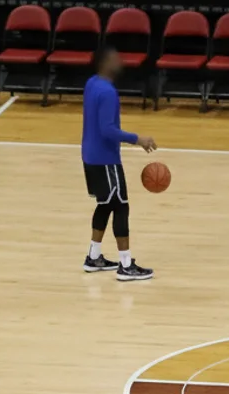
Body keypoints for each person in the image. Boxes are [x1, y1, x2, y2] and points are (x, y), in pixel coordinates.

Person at [82, 46, 158, 281]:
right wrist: (138, 139)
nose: (121, 62)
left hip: (89, 156)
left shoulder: (91, 83)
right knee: (121, 206)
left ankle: (94, 257)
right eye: (116, 59)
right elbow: (107, 130)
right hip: (106, 160)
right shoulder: (107, 92)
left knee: (105, 205)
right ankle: (126, 264)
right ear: (105, 63)